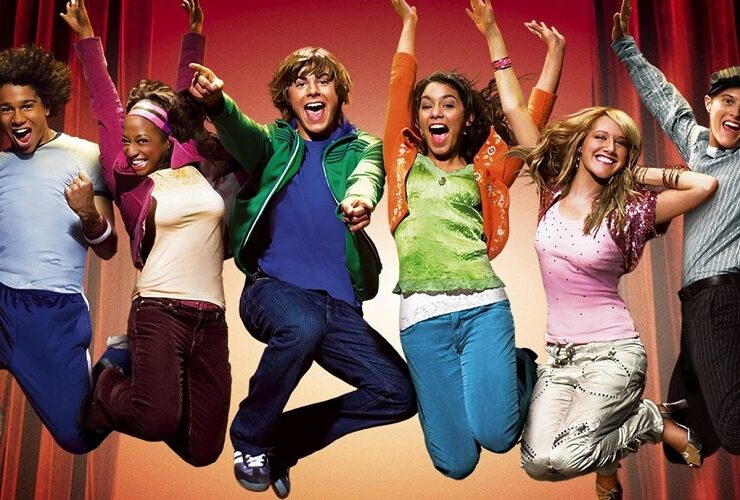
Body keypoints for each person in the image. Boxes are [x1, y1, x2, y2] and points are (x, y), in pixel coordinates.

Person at [189, 25, 417, 499]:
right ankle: (251, 437)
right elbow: (240, 132)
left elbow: (369, 174)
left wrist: (360, 199)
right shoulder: (274, 142)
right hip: (273, 289)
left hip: (339, 307)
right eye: (300, 83)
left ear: (339, 93)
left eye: (323, 81)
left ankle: (282, 442)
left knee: (398, 393)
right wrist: (217, 104)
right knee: (302, 325)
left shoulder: (363, 146)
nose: (312, 90)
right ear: (288, 99)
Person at [383, 0, 563, 479]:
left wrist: (548, 54)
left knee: (499, 436)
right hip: (422, 322)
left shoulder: (489, 170)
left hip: (483, 309)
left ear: (465, 117)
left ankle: (521, 367)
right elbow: (400, 82)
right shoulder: (401, 158)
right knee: (456, 463)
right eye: (426, 105)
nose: (435, 112)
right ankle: (459, 392)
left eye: (448, 104)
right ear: (418, 119)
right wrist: (410, 23)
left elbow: (531, 118)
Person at [509, 104, 717, 498]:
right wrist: (501, 59)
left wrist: (636, 173)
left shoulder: (630, 211)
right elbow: (514, 108)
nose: (609, 147)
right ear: (581, 143)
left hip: (614, 355)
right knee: (536, 463)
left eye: (621, 144)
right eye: (600, 137)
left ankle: (649, 422)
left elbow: (704, 185)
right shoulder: (552, 189)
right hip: (559, 359)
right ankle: (643, 421)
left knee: (567, 457)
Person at [62, 0, 231, 467]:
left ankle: (137, 376)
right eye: (127, 140)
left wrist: (194, 33)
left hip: (211, 319)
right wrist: (87, 39)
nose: (133, 150)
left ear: (167, 140)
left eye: (143, 141)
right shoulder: (129, 182)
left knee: (203, 451)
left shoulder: (191, 161)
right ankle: (106, 386)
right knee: (155, 419)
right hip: (159, 310)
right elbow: (106, 104)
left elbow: (183, 103)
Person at [612, 0, 740, 460]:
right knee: (684, 437)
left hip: (724, 295)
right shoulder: (699, 145)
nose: (737, 112)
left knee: (735, 430)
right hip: (696, 302)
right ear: (710, 104)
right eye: (728, 101)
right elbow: (665, 102)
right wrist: (626, 48)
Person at [0, 43, 117, 453]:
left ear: (47, 106)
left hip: (51, 311)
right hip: (2, 298)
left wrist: (87, 213)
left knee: (77, 437)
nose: (17, 118)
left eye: (26, 106)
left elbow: (108, 248)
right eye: (6, 109)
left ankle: (118, 362)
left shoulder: (86, 156)